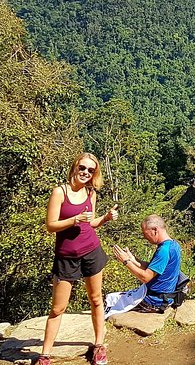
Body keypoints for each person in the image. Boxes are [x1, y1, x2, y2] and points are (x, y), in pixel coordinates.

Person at [38, 153, 119, 365]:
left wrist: (106, 218)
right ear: (75, 166)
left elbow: (90, 224)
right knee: (57, 308)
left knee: (96, 299)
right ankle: (45, 355)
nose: (86, 173)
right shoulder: (60, 192)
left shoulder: (91, 192)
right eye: (83, 168)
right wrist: (74, 219)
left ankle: (99, 345)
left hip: (91, 251)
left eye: (91, 170)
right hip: (66, 256)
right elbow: (50, 225)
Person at [112, 214, 182, 313]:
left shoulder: (164, 251)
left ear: (155, 230)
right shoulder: (173, 244)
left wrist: (126, 261)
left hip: (154, 301)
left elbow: (145, 277)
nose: (145, 237)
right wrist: (133, 259)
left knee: (110, 301)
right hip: (162, 297)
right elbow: (154, 268)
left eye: (145, 234)